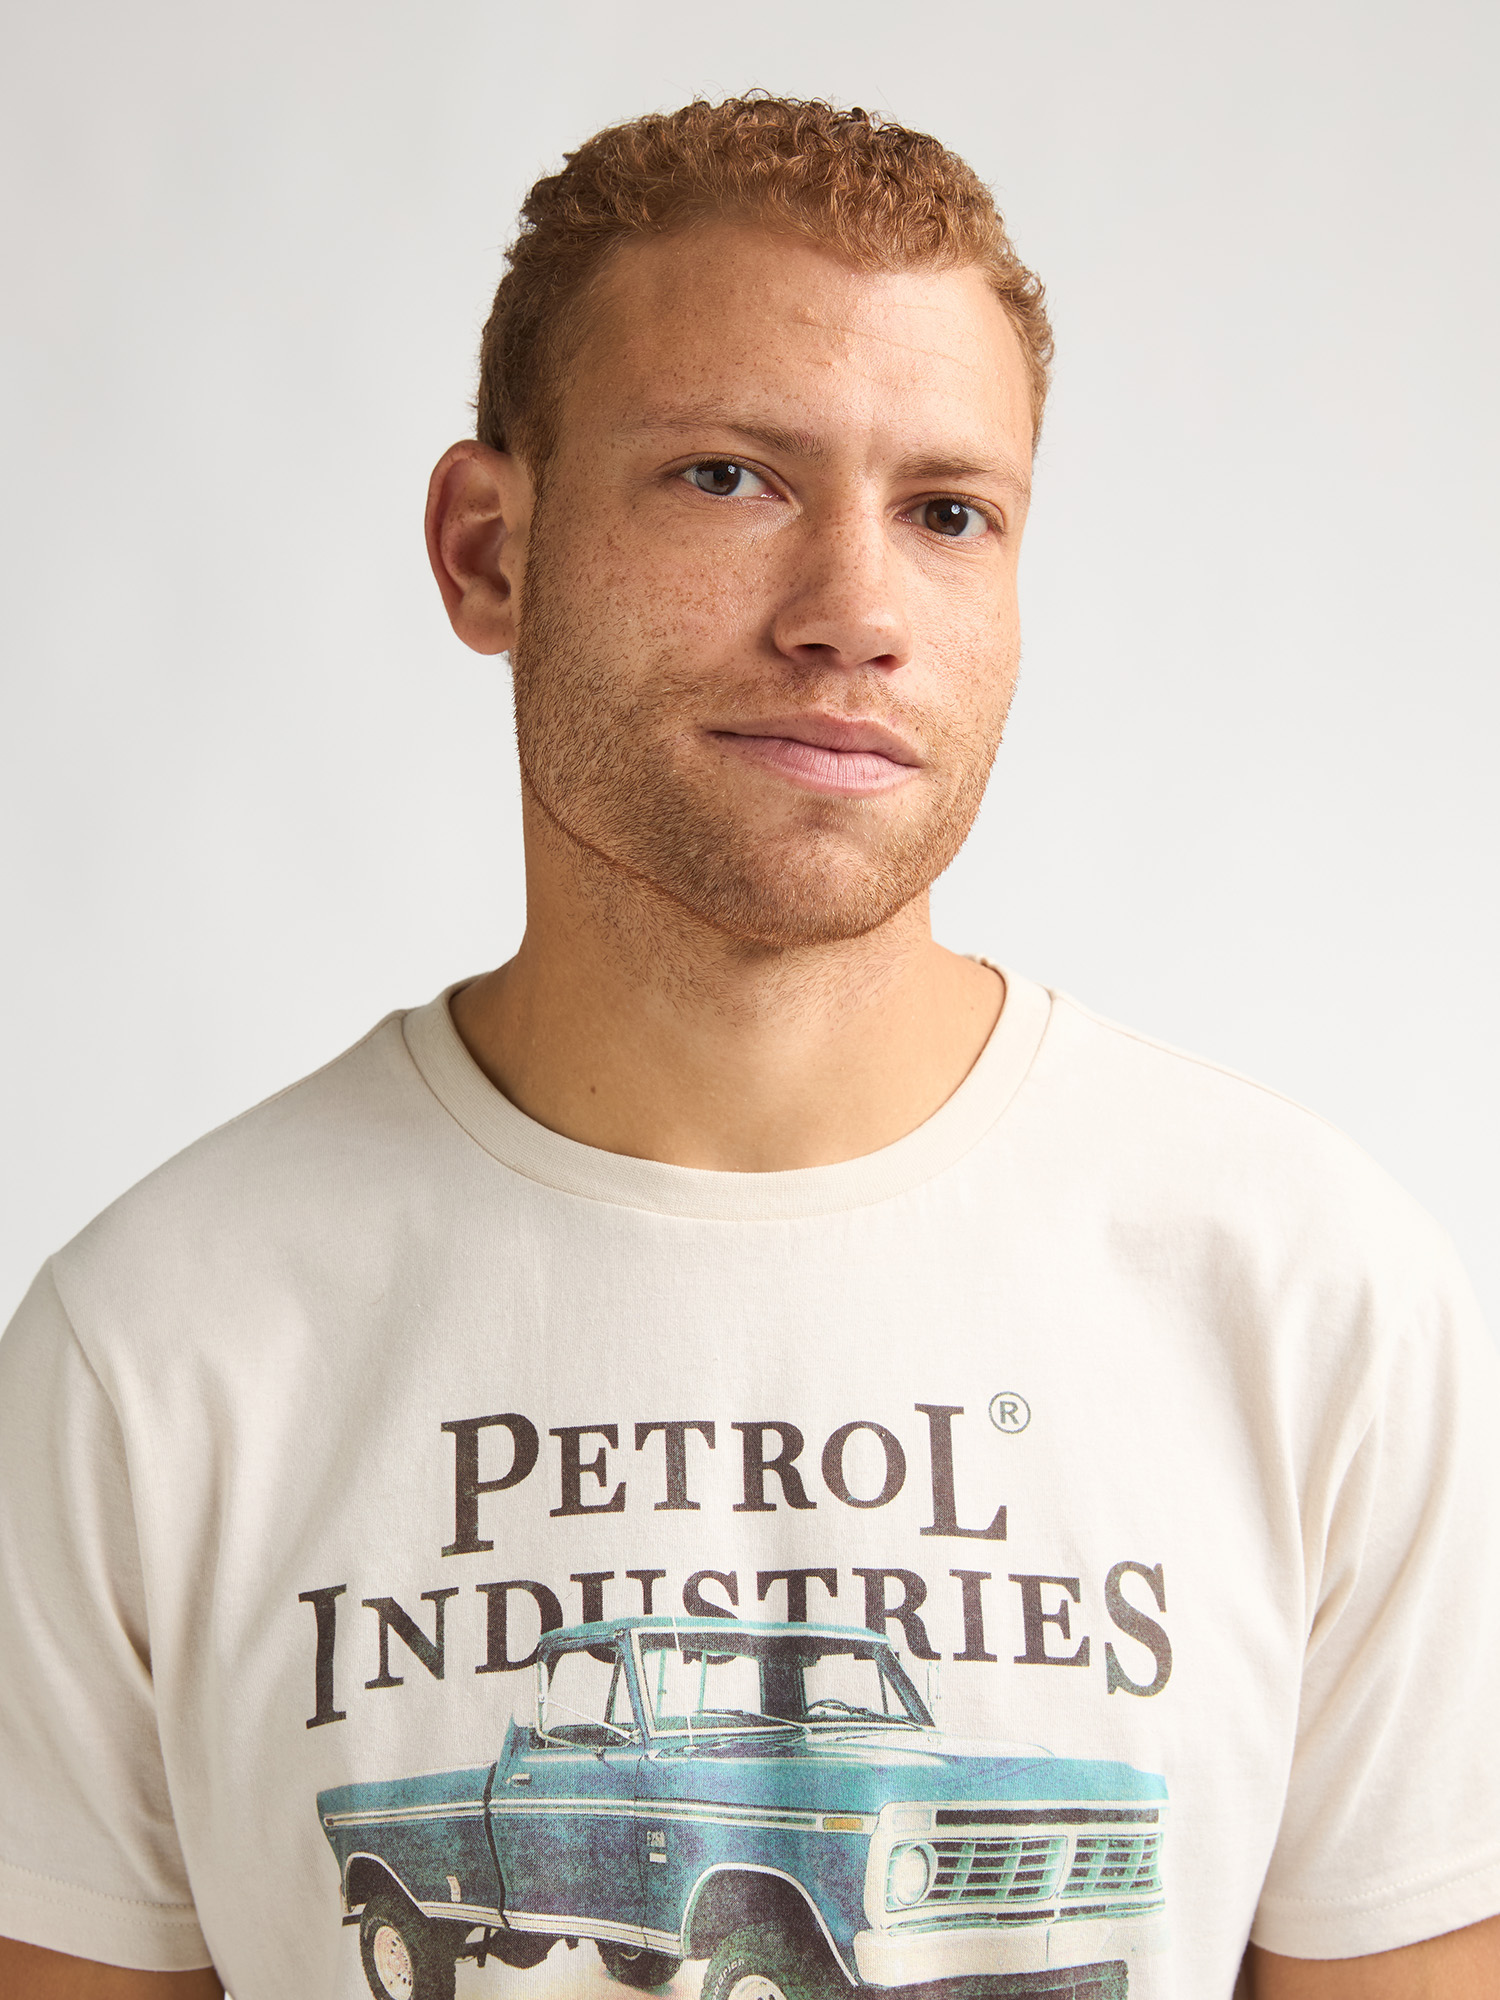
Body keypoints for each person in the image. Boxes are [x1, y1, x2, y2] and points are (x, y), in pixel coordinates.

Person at [0, 95, 1496, 2000]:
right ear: (487, 553)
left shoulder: (1313, 1302)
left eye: (947, 512)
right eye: (728, 478)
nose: (855, 614)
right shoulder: (156, 1351)